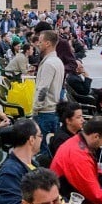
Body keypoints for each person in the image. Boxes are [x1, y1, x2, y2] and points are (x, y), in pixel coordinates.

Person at [33, 30, 65, 161]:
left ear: (47, 43)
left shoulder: (49, 64)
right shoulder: (57, 61)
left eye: (40, 42)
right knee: (49, 150)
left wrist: (35, 109)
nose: (37, 44)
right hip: (52, 111)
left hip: (45, 113)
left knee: (43, 153)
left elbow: (42, 90)